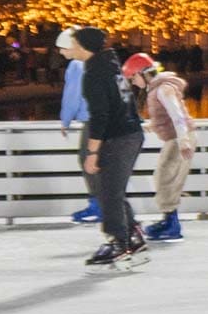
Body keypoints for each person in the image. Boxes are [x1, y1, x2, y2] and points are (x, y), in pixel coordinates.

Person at [61, 28, 148, 270]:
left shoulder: (95, 74)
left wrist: (91, 152)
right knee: (113, 190)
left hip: (119, 137)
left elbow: (100, 116)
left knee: (107, 191)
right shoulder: (110, 67)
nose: (72, 47)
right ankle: (133, 236)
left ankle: (118, 244)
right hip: (129, 134)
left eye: (75, 43)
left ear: (85, 47)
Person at [125, 54, 194, 242]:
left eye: (133, 77)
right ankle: (168, 220)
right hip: (176, 138)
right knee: (164, 177)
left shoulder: (163, 89)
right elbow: (166, 117)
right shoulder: (156, 89)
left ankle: (171, 225)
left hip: (179, 139)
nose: (133, 82)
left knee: (166, 177)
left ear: (143, 73)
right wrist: (152, 125)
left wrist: (184, 139)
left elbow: (176, 114)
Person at [58, 28, 103, 224]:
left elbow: (72, 95)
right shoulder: (96, 62)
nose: (60, 52)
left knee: (86, 160)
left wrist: (65, 120)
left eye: (62, 47)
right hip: (101, 119)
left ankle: (97, 205)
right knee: (97, 163)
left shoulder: (76, 66)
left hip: (91, 120)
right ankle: (100, 204)